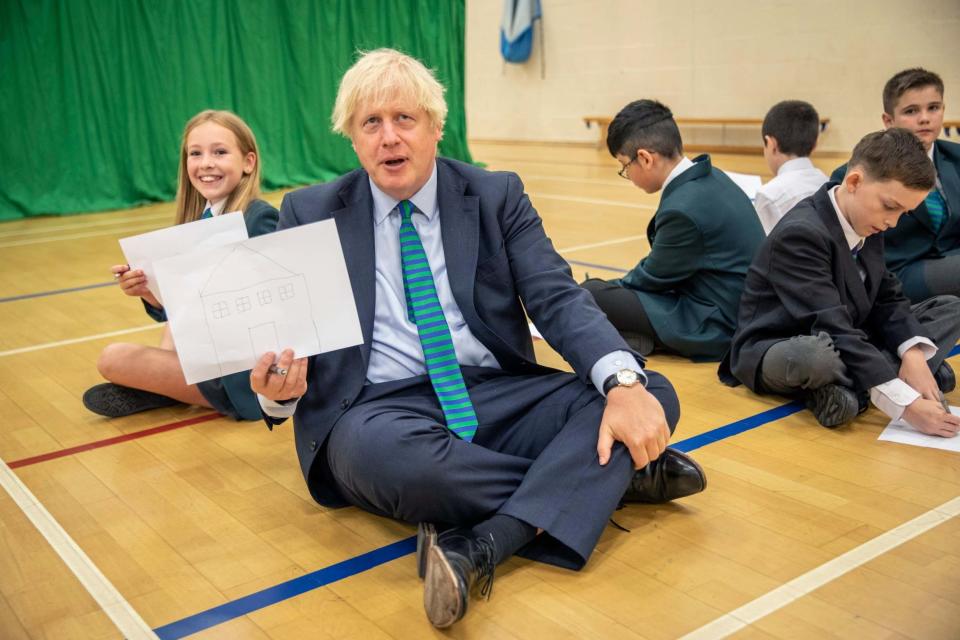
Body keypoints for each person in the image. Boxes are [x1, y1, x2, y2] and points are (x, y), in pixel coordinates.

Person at [250, 49, 705, 629]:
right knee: (398, 465)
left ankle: (487, 541)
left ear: (437, 128)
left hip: (494, 391)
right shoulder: (308, 213)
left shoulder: (495, 195)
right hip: (381, 412)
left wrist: (619, 384)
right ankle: (614, 477)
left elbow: (556, 297)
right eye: (371, 123)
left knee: (648, 390)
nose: (389, 137)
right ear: (353, 139)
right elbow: (287, 347)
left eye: (404, 119)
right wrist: (277, 394)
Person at [721, 128, 960, 434]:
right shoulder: (802, 233)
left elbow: (887, 297)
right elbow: (830, 324)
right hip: (787, 343)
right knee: (817, 357)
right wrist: (907, 406)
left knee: (950, 308)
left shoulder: (867, 219)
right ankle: (882, 381)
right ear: (854, 182)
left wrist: (912, 353)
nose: (894, 222)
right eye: (890, 207)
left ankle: (858, 390)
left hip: (847, 332)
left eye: (905, 212)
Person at [83, 110, 279, 420]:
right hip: (209, 350)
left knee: (111, 359)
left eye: (220, 152)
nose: (206, 163)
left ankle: (168, 389)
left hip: (240, 374)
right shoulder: (200, 219)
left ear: (248, 163)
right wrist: (149, 292)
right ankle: (169, 388)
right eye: (195, 153)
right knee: (172, 328)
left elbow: (272, 308)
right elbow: (183, 313)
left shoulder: (258, 217)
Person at [581, 99, 765, 361]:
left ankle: (645, 337)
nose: (626, 174)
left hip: (719, 324)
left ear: (644, 158)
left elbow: (651, 278)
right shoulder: (712, 177)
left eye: (624, 166)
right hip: (737, 306)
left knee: (590, 295)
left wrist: (602, 288)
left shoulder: (683, 209)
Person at [830, 68, 960, 302]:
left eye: (933, 107)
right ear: (888, 121)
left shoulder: (956, 157)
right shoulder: (857, 176)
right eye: (911, 111)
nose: (924, 118)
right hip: (898, 273)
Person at [754, 100, 828, 234]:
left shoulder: (769, 195)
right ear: (815, 145)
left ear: (771, 144)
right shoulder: (828, 183)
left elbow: (760, 249)